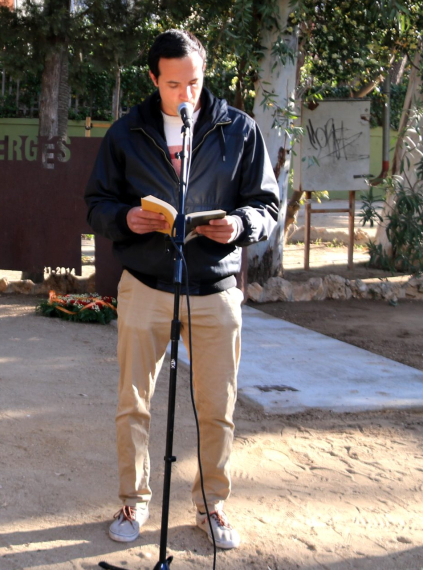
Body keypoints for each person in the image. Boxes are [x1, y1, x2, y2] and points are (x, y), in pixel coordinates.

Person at [84, 29, 280, 550]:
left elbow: (267, 205)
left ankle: (211, 504)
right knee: (133, 402)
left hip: (215, 290)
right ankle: (134, 499)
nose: (186, 94)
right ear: (154, 79)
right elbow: (96, 205)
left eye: (193, 82)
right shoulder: (127, 133)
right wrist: (126, 218)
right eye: (173, 85)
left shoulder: (238, 130)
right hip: (147, 285)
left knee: (217, 405)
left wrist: (239, 225)